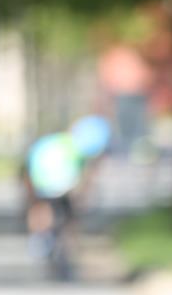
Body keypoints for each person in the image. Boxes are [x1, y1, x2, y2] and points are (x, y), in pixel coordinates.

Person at [21, 116, 110, 281]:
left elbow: (31, 164)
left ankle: (39, 239)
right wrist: (82, 196)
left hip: (42, 181)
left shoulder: (48, 142)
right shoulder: (77, 147)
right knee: (69, 219)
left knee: (41, 208)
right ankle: (67, 247)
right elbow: (84, 176)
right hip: (61, 185)